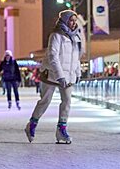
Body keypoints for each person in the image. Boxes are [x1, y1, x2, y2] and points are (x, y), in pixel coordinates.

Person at [24, 10, 81, 144]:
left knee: (67, 102)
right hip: (52, 74)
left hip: (69, 75)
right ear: (65, 21)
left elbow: (77, 57)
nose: (73, 23)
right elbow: (53, 56)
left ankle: (61, 130)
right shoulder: (56, 35)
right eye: (71, 20)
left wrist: (78, 72)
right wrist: (60, 76)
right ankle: (32, 124)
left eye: (75, 20)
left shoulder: (75, 37)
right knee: (45, 101)